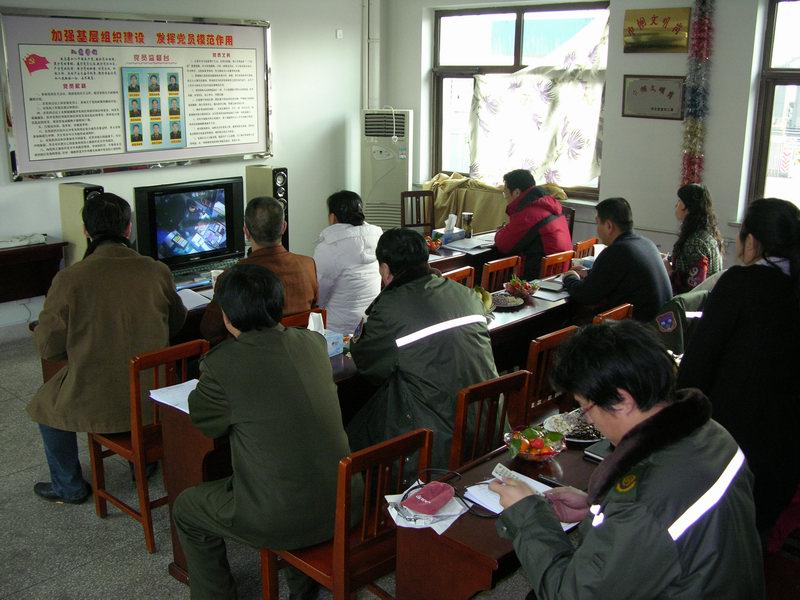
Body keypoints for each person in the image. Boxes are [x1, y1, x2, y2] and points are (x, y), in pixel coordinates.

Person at [490, 320, 764, 599]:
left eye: (585, 408)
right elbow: (671, 525)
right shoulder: (713, 435)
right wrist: (600, 510)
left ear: (622, 400)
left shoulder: (642, 502)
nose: (590, 420)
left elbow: (571, 594)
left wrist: (528, 514)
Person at [174, 264, 359, 600]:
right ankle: (302, 585)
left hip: (283, 515)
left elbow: (205, 422)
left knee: (188, 508)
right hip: (346, 500)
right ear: (278, 304)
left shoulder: (222, 363)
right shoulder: (313, 343)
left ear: (227, 316)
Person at [27, 193, 187, 504]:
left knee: (44, 407)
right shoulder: (156, 270)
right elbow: (176, 324)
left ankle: (69, 486)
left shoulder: (70, 279)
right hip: (153, 397)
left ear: (86, 231)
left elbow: (48, 347)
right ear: (128, 229)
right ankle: (145, 462)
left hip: (96, 398)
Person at [678, 198, 800, 535]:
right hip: (786, 445)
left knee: (719, 534)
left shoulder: (740, 283)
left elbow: (699, 362)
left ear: (752, 241)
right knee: (755, 532)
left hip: (733, 439)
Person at [347, 228, 498, 471]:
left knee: (356, 429)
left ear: (385, 269)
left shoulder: (389, 309)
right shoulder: (466, 295)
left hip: (438, 434)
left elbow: (369, 366)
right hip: (488, 421)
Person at [201, 196, 317, 345]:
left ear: (246, 231)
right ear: (283, 227)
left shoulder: (232, 277)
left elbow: (210, 331)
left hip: (251, 356)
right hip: (299, 349)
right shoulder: (308, 265)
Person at [562, 197, 671, 321]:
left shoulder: (617, 250)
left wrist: (570, 277)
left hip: (637, 327)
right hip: (660, 323)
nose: (597, 229)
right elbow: (616, 275)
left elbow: (586, 296)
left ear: (609, 226)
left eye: (598, 223)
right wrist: (589, 273)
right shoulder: (646, 243)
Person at [312, 190, 382, 334]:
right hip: (370, 323)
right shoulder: (378, 239)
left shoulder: (329, 247)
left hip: (337, 328)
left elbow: (318, 296)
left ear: (332, 217)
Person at [494, 169, 572, 279]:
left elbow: (504, 244)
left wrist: (499, 232)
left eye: (505, 193)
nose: (506, 198)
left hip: (542, 277)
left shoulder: (529, 213)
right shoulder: (547, 204)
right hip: (560, 270)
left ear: (516, 192)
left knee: (491, 265)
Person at [667, 183, 724, 294]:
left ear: (687, 206)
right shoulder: (707, 234)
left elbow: (693, 285)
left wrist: (668, 270)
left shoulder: (695, 242)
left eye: (679, 201)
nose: (676, 205)